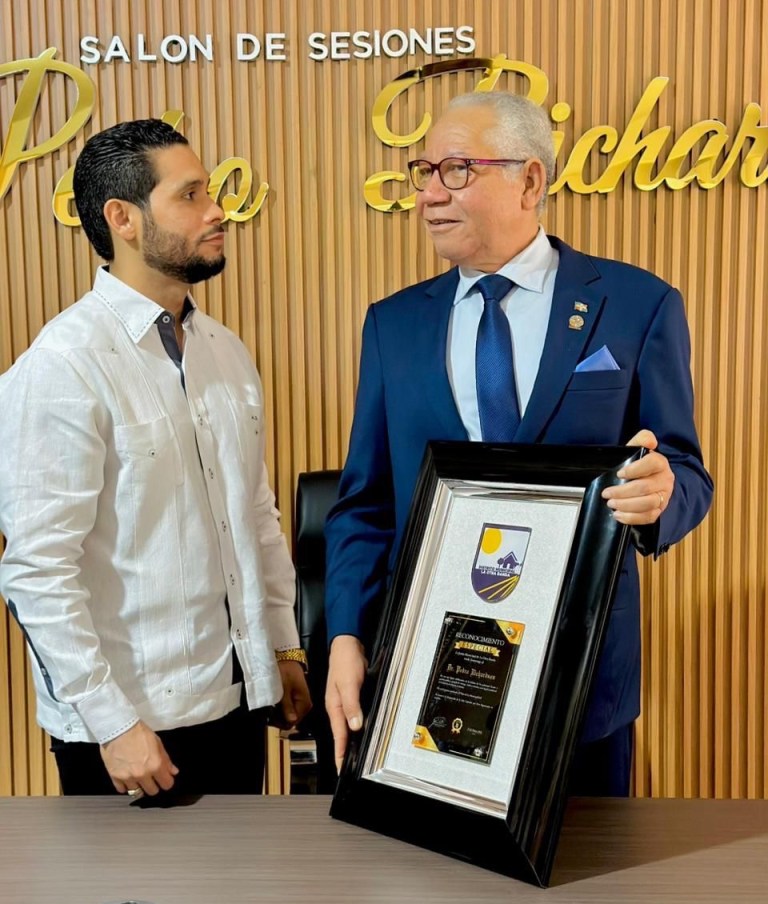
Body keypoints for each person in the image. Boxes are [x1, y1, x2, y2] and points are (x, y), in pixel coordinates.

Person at [324, 92, 713, 796]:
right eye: (423, 172)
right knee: (438, 865)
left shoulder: (637, 305)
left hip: (581, 673)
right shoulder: (393, 325)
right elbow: (366, 503)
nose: (429, 195)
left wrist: (663, 495)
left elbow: (685, 470)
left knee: (591, 863)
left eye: (456, 170)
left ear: (530, 181)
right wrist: (345, 636)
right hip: (434, 671)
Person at [0, 119, 311, 798]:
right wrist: (112, 723)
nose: (217, 210)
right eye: (190, 195)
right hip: (132, 731)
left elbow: (255, 516)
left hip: (237, 701)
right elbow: (37, 570)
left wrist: (282, 647)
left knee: (245, 874)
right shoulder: (63, 365)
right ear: (124, 219)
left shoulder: (225, 351)